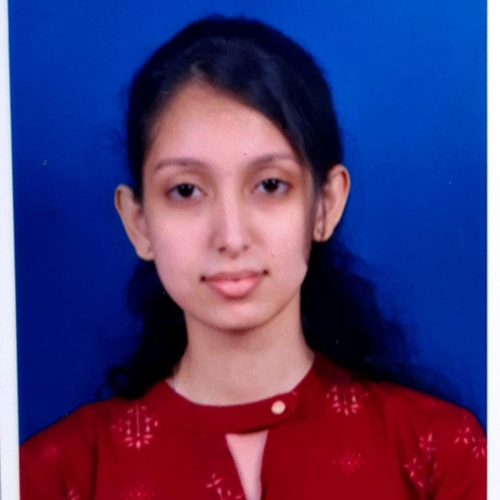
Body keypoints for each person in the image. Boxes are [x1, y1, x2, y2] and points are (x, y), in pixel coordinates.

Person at [20, 15, 486, 500]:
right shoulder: (52, 476)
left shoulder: (441, 456)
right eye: (186, 190)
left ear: (325, 205)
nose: (231, 236)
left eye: (270, 185)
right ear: (138, 222)